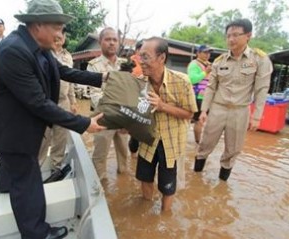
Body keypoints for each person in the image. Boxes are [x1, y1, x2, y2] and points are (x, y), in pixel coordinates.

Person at [0, 0, 107, 238]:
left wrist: (102, 78)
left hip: (12, 122)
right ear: (37, 25)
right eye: (57, 27)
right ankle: (36, 232)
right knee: (28, 178)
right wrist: (84, 123)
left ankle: (4, 188)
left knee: (11, 169)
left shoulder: (38, 48)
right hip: (7, 129)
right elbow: (38, 103)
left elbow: (64, 72)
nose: (60, 34)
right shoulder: (13, 51)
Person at [193, 18, 273, 181]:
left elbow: (261, 90)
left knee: (233, 150)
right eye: (228, 35)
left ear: (248, 36)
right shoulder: (219, 61)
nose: (231, 39)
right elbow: (211, 87)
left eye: (236, 35)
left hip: (240, 111)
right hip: (218, 108)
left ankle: (222, 184)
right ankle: (195, 178)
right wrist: (204, 110)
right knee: (205, 144)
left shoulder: (259, 59)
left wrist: (256, 117)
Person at [135, 37, 197, 212]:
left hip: (171, 142)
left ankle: (165, 216)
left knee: (168, 185)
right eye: (140, 57)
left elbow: (190, 113)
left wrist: (162, 106)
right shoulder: (139, 82)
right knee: (144, 177)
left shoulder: (182, 81)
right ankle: (145, 212)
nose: (141, 62)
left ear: (161, 58)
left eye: (146, 57)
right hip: (148, 140)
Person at [87, 27, 128, 180]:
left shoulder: (126, 65)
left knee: (124, 152)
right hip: (103, 118)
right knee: (100, 154)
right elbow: (95, 94)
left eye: (114, 40)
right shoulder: (93, 66)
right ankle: (100, 187)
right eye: (108, 39)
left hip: (124, 118)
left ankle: (123, 179)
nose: (111, 43)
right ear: (100, 42)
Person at [39, 27, 77, 182]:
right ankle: (35, 169)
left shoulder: (68, 56)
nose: (59, 36)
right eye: (57, 32)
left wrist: (73, 101)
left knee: (60, 139)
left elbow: (71, 80)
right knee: (43, 139)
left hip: (64, 102)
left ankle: (56, 170)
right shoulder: (42, 53)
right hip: (46, 103)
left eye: (62, 33)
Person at [187, 45, 213, 144]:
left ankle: (197, 143)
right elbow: (192, 79)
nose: (207, 55)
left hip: (206, 98)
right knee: (195, 120)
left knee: (199, 121)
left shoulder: (209, 65)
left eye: (209, 53)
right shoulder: (194, 64)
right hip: (196, 96)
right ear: (198, 53)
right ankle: (197, 143)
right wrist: (205, 72)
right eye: (205, 52)